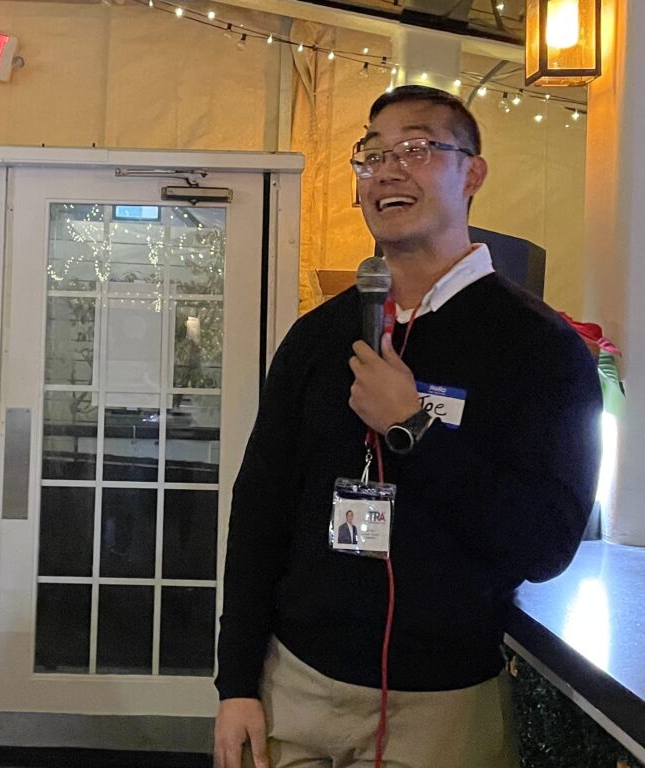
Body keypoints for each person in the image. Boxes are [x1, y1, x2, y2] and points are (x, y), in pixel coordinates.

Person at [213, 85, 602, 768]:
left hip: (444, 707)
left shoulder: (541, 348)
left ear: (472, 173)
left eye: (417, 148)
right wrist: (236, 682)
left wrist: (414, 427)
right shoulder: (317, 336)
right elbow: (260, 512)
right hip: (294, 689)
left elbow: (545, 543)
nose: (387, 170)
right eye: (372, 155)